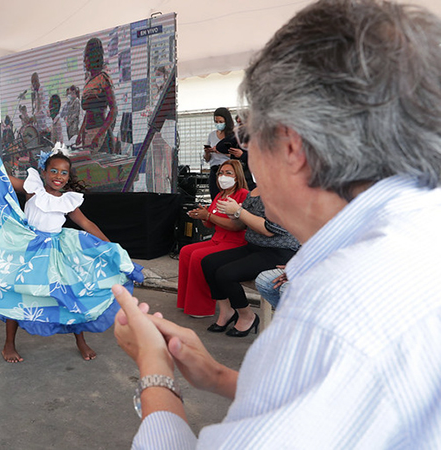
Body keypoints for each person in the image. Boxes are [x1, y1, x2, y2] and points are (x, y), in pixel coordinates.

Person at [112, 0, 441, 446]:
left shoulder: (338, 309)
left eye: (246, 139)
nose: (241, 158)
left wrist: (154, 369)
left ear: (290, 145)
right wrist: (217, 376)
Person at [0, 128, 142, 363]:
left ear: (69, 177)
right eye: (54, 171)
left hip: (58, 251)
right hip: (26, 247)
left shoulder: (68, 201)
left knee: (71, 293)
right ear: (44, 172)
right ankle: (9, 343)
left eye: (64, 173)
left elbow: (86, 223)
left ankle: (81, 340)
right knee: (17, 291)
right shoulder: (32, 189)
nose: (59, 176)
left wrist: (110, 245)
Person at [202, 186, 299, 336]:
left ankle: (247, 316)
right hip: (254, 247)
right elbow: (243, 223)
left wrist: (240, 212)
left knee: (226, 274)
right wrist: (235, 214)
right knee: (209, 262)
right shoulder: (256, 190)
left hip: (279, 252)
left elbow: (269, 229)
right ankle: (227, 311)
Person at [177, 161, 249, 318]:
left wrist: (209, 215)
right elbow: (209, 223)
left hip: (234, 241)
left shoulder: (242, 194)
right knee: (185, 251)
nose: (223, 176)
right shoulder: (219, 195)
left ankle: (201, 308)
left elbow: (236, 226)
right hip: (217, 239)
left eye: (228, 173)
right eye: (221, 173)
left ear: (237, 176)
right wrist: (202, 215)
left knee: (198, 256)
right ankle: (186, 301)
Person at [77, 37, 118, 153]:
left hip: (102, 139)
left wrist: (99, 134)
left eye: (86, 58)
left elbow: (114, 110)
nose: (85, 62)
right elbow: (88, 112)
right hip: (88, 136)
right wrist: (80, 133)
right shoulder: (88, 81)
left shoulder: (103, 78)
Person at [203, 108, 236, 200]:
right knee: (215, 196)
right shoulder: (212, 135)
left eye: (220, 121)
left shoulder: (232, 135)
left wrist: (221, 151)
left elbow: (236, 155)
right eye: (216, 121)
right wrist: (207, 152)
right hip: (214, 169)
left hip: (228, 169)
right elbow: (207, 159)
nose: (218, 124)